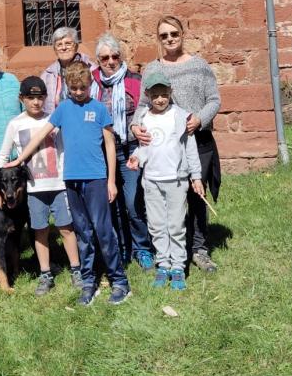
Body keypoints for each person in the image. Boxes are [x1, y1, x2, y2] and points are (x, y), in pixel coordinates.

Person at [7, 61, 131, 307]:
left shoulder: (99, 110)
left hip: (96, 178)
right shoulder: (63, 109)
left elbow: (109, 145)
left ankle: (119, 281)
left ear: (90, 85)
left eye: (82, 88)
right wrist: (20, 158)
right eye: (73, 88)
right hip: (72, 180)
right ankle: (88, 280)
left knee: (103, 231)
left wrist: (111, 181)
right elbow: (41, 134)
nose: (77, 92)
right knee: (82, 231)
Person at [132, 15, 221, 273]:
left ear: (183, 34)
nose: (170, 39)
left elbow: (214, 100)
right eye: (164, 35)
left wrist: (199, 119)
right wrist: (135, 127)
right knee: (167, 199)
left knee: (196, 195)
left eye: (174, 33)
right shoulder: (151, 69)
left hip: (197, 140)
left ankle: (199, 249)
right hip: (164, 146)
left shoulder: (199, 65)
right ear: (158, 39)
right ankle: (169, 251)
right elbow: (141, 106)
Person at [0, 75, 82, 295]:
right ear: (21, 98)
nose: (36, 102)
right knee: (39, 230)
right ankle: (45, 273)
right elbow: (3, 157)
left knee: (66, 228)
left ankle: (76, 269)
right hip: (33, 190)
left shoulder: (53, 119)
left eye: (40, 97)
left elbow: (62, 150)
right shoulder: (15, 124)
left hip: (57, 183)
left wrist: (66, 179)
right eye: (31, 98)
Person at [127, 71, 204, 291]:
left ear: (170, 92)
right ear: (147, 95)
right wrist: (136, 158)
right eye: (155, 95)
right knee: (157, 225)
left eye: (164, 94)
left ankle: (178, 266)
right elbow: (144, 149)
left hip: (176, 181)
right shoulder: (143, 117)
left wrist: (196, 176)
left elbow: (190, 149)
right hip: (151, 181)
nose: (160, 99)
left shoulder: (180, 116)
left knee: (176, 225)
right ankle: (163, 264)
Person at [91, 33, 154, 271]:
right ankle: (121, 247)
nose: (110, 61)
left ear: (121, 57)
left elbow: (147, 111)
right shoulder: (91, 82)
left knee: (132, 200)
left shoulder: (135, 80)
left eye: (114, 56)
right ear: (98, 60)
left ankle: (142, 248)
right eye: (104, 57)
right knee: (111, 201)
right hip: (102, 150)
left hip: (130, 148)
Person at [41, 27, 95, 113]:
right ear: (55, 49)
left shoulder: (91, 69)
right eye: (59, 44)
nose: (64, 48)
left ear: (76, 46)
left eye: (68, 43)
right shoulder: (47, 75)